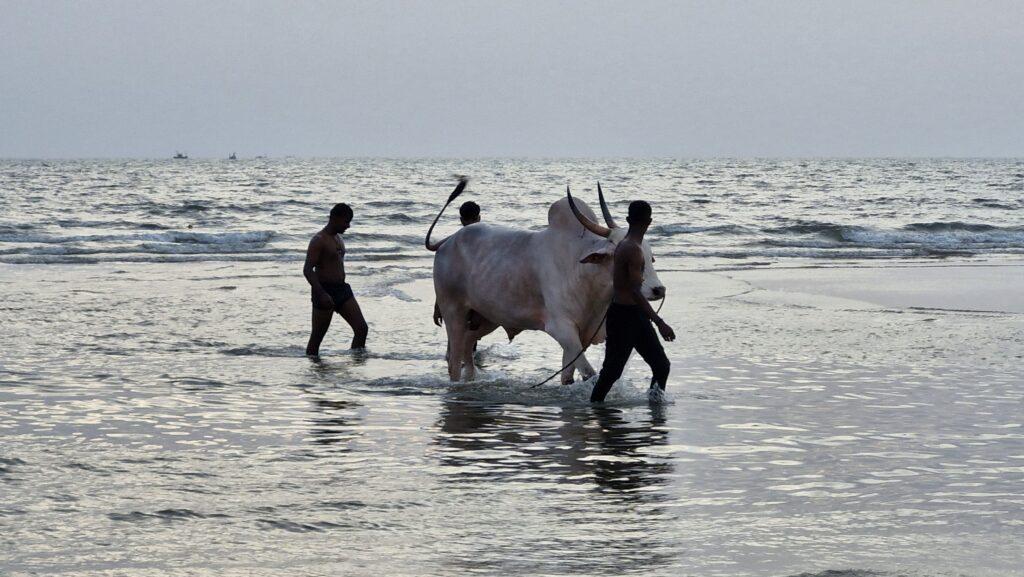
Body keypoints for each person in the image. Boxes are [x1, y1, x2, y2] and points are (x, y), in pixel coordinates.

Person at [590, 200, 675, 403]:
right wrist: (659, 322)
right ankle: (594, 408)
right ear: (649, 221)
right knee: (612, 373)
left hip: (633, 314)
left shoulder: (626, 245)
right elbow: (635, 291)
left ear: (628, 220)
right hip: (624, 317)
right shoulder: (633, 250)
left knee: (661, 365)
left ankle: (655, 407)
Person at [304, 203, 369, 355]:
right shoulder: (318, 240)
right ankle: (313, 366)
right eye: (346, 221)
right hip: (324, 290)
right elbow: (307, 270)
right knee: (317, 338)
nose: (348, 226)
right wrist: (321, 293)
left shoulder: (338, 238)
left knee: (361, 328)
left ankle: (357, 362)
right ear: (335, 218)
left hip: (342, 289)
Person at [433, 201, 481, 327]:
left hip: (458, 293)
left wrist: (438, 306)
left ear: (461, 220)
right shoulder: (487, 239)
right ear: (479, 218)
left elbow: (443, 277)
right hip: (479, 294)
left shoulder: (453, 241)